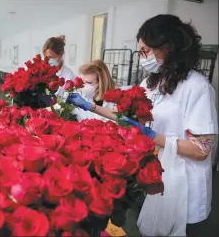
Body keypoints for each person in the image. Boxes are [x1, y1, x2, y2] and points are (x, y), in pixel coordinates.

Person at [69, 14, 218, 236]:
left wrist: (151, 135)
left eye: (145, 51)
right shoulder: (151, 83)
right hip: (156, 173)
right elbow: (122, 114)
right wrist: (89, 107)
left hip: (184, 183)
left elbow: (201, 150)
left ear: (168, 47)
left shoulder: (197, 87)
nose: (142, 57)